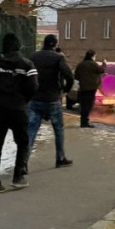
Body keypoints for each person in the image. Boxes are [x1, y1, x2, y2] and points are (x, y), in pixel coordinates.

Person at [0, 33, 38, 194]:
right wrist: (23, 99)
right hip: (18, 109)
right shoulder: (27, 65)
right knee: (23, 143)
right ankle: (18, 177)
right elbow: (33, 87)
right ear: (18, 46)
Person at [28, 35, 74, 171]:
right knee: (58, 129)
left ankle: (23, 162)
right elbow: (69, 76)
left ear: (44, 43)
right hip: (52, 99)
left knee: (31, 131)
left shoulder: (33, 57)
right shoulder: (58, 57)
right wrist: (65, 90)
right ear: (55, 44)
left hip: (35, 99)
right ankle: (60, 158)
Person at [74, 50, 106, 128]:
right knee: (88, 105)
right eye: (95, 56)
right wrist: (104, 64)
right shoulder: (93, 64)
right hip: (91, 88)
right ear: (92, 56)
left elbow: (76, 76)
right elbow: (102, 70)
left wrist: (83, 80)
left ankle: (83, 122)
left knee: (83, 105)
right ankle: (85, 123)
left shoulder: (81, 64)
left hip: (83, 88)